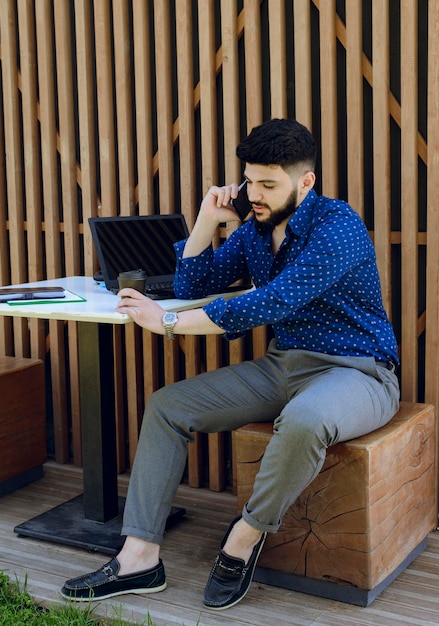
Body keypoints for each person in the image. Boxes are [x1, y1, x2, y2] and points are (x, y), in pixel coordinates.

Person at [61, 118, 400, 611]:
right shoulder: (256, 231)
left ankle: (244, 537)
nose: (255, 195)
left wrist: (169, 325)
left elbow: (272, 301)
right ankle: (139, 559)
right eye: (250, 182)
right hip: (285, 366)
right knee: (167, 406)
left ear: (306, 182)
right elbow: (193, 286)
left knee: (304, 420)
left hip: (358, 371)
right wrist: (204, 221)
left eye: (269, 184)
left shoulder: (338, 225)